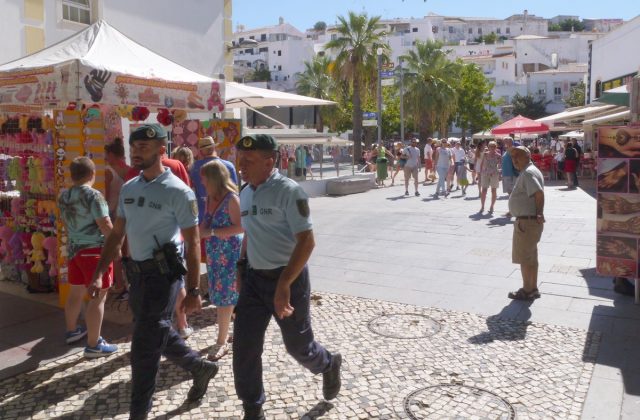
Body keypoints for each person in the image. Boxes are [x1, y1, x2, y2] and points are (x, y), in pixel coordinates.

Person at [91, 124, 218, 419]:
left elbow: (193, 241)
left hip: (163, 276)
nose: (137, 153)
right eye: (134, 148)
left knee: (143, 350)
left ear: (162, 150)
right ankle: (200, 368)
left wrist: (195, 289)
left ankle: (139, 413)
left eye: (144, 148)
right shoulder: (130, 188)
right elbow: (117, 233)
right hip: (136, 274)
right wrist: (100, 271)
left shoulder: (179, 191)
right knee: (156, 330)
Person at [234, 134, 342, 420]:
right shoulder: (245, 191)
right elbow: (250, 233)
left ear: (269, 162)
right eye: (240, 159)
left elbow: (307, 241)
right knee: (244, 346)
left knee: (298, 346)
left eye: (249, 160)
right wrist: (240, 267)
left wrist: (283, 284)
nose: (241, 165)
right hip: (255, 281)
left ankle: (328, 364)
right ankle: (252, 408)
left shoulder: (289, 191)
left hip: (289, 279)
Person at [59, 157, 118, 357]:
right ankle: (94, 344)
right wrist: (115, 244)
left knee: (76, 292)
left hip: (74, 249)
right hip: (94, 250)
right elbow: (105, 223)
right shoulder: (94, 196)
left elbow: (67, 224)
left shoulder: (64, 196)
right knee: (98, 297)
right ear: (92, 174)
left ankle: (71, 330)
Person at [199, 159, 243, 361]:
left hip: (230, 255)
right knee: (223, 295)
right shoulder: (209, 198)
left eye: (205, 178)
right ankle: (235, 330)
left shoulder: (231, 199)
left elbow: (241, 227)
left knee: (225, 298)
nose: (202, 182)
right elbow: (205, 224)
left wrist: (212, 232)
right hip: (215, 256)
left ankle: (221, 342)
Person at [507, 146, 544, 301]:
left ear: (527, 156)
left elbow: (538, 193)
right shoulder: (529, 170)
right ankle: (533, 288)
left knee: (525, 258)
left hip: (527, 222)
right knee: (530, 257)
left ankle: (527, 290)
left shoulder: (528, 173)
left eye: (518, 156)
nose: (515, 160)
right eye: (513, 157)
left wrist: (539, 213)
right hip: (528, 220)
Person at [104, 137, 130, 299]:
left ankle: (119, 283)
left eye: (107, 154)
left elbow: (105, 196)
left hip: (113, 213)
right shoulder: (128, 169)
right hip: (129, 212)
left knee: (115, 250)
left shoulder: (108, 171)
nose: (105, 156)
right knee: (126, 250)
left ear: (112, 155)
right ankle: (124, 281)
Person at [479, 141, 502, 214]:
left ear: (496, 147)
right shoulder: (485, 154)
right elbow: (481, 164)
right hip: (485, 173)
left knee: (493, 190)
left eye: (494, 146)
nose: (492, 148)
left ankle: (492, 206)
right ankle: (482, 206)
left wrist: (499, 172)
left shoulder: (498, 155)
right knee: (484, 190)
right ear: (488, 147)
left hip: (494, 174)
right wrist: (479, 173)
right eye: (490, 146)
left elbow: (500, 165)